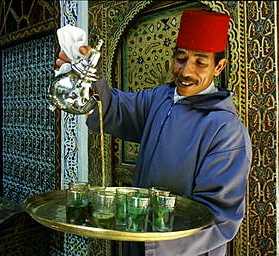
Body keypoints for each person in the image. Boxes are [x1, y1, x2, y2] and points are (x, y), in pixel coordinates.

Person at [55, 9, 252, 256]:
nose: (186, 71)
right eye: (181, 59)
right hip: (138, 236)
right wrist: (89, 78)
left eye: (200, 63)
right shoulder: (161, 98)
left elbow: (219, 216)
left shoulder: (225, 129)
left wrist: (155, 244)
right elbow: (115, 109)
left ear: (218, 66)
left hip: (178, 250)